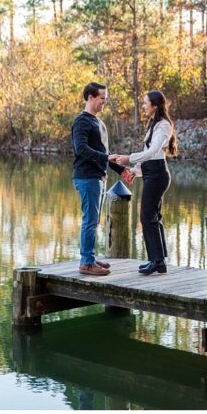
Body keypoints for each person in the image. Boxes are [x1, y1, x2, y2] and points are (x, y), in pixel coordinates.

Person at [109, 90, 178, 275]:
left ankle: (155, 260)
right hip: (151, 173)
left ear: (155, 105)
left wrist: (127, 158)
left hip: (157, 175)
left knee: (147, 217)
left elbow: (153, 151)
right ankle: (159, 261)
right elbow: (148, 154)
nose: (143, 106)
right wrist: (134, 171)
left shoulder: (163, 126)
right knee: (153, 216)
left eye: (145, 103)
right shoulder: (154, 124)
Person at [71, 82, 134, 276]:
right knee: (89, 220)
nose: (104, 103)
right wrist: (106, 158)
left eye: (106, 100)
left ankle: (89, 257)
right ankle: (86, 263)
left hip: (99, 177)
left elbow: (104, 154)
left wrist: (121, 170)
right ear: (90, 97)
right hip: (86, 177)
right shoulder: (82, 122)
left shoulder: (98, 122)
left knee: (93, 220)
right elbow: (81, 149)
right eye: (101, 99)